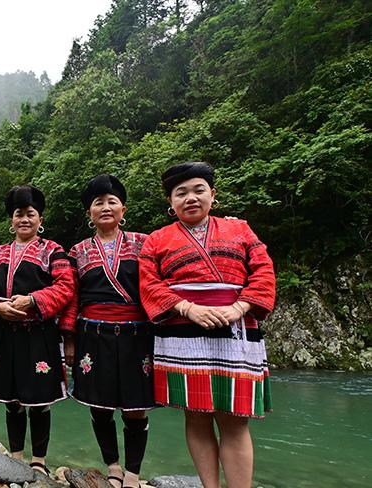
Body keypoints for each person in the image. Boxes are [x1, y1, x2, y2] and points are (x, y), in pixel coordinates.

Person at [139, 162, 276, 488]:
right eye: (180, 193)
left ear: (213, 195)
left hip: (237, 331)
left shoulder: (241, 230)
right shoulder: (157, 240)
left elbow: (264, 271)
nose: (190, 198)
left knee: (235, 421)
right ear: (170, 202)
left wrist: (240, 307)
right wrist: (187, 308)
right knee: (196, 415)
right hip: (182, 332)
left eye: (198, 190)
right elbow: (148, 283)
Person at [0, 185, 74, 474]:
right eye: (19, 214)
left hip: (38, 333)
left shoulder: (52, 251)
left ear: (40, 219)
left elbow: (66, 286)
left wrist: (33, 300)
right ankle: (16, 455)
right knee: (11, 400)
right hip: (5, 334)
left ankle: (39, 461)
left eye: (30, 214)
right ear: (11, 221)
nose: (24, 219)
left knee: (39, 401)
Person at [63, 175, 154, 488]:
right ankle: (112, 466)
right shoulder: (76, 252)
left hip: (137, 335)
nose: (104, 207)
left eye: (111, 201)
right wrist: (69, 340)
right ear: (89, 213)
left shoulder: (144, 243)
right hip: (93, 334)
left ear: (123, 208)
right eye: (97, 203)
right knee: (99, 405)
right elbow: (71, 299)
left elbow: (156, 287)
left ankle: (133, 473)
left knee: (136, 408)